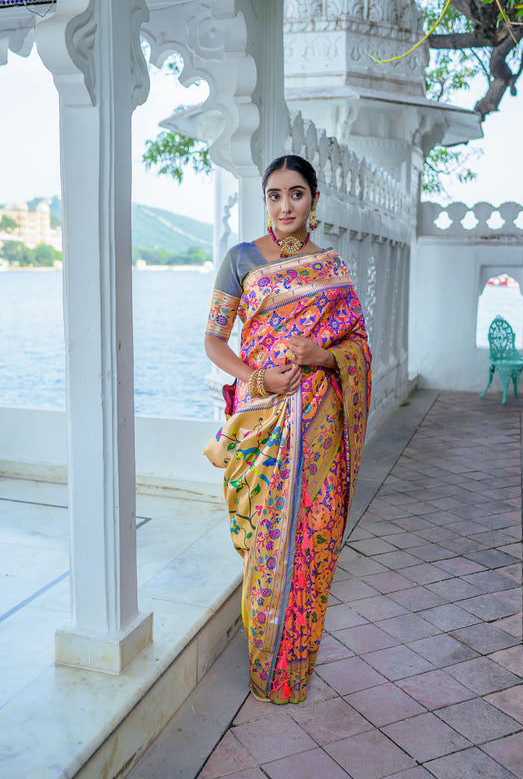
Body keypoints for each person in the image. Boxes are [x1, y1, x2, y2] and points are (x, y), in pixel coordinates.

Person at [204, 154, 371, 704]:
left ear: (314, 201)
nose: (284, 206)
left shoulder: (333, 268)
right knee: (266, 546)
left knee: (314, 536)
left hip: (322, 430)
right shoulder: (241, 259)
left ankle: (293, 670)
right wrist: (260, 378)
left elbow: (359, 348)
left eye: (295, 194)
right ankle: (264, 668)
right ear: (265, 201)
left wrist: (323, 355)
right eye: (274, 195)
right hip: (264, 425)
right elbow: (214, 341)